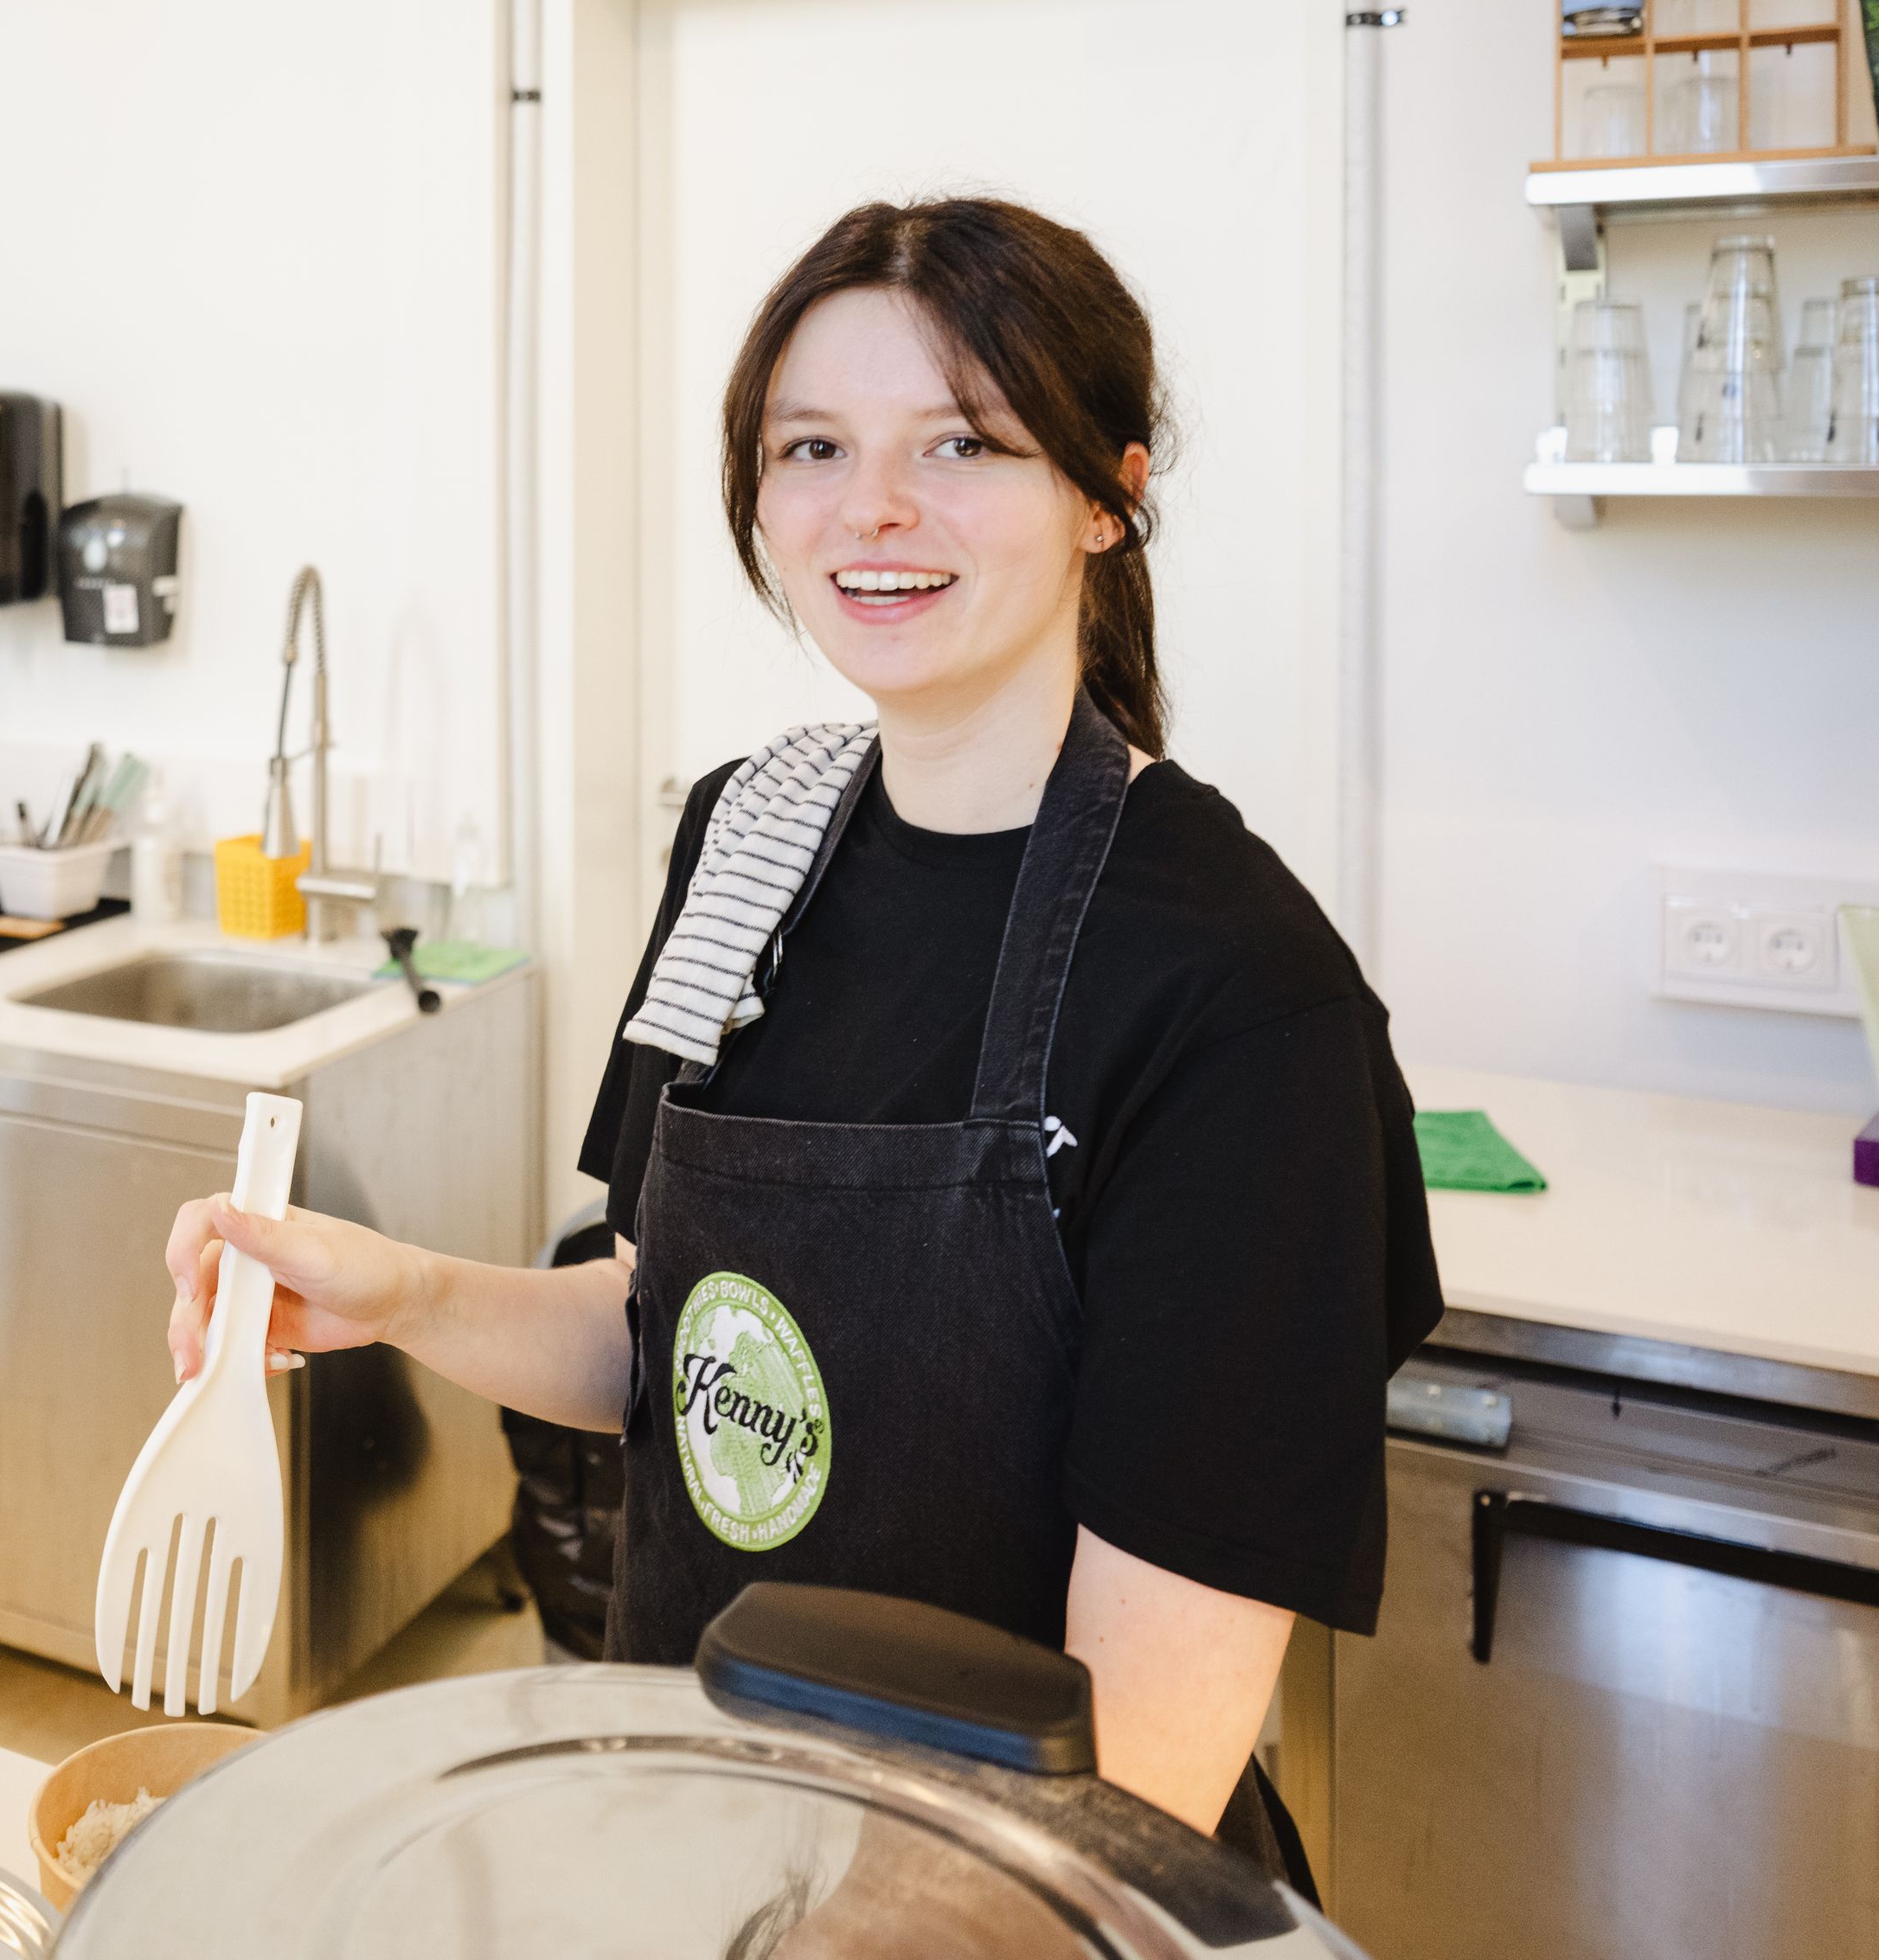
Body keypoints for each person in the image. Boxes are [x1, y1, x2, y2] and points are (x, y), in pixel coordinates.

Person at [163, 196, 1439, 1882]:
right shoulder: (743, 837)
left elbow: (1143, 1756)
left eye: (962, 442)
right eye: (811, 445)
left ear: (1105, 494)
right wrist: (393, 1291)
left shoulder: (1231, 998)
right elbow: (657, 1332)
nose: (871, 509)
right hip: (700, 1826)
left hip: (1011, 1896)